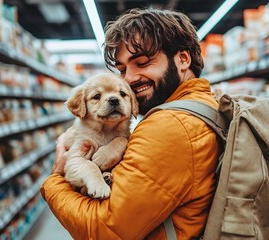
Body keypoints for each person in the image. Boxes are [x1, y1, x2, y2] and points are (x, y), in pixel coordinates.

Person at [40, 8, 221, 239]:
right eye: (122, 69)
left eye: (143, 63)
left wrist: (54, 180)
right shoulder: (201, 103)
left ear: (183, 59)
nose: (128, 79)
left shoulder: (171, 126)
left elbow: (103, 230)